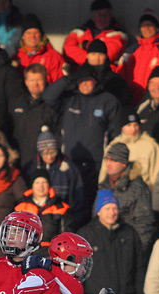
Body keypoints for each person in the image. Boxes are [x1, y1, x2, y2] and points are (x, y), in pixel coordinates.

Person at [42, 64, 121, 228]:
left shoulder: (108, 100)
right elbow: (48, 97)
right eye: (81, 81)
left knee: (93, 208)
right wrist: (67, 79)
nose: (84, 84)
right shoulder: (70, 99)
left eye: (88, 80)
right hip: (69, 164)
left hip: (97, 165)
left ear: (95, 81)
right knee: (72, 208)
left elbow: (115, 134)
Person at [77, 190, 145, 294]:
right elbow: (78, 273)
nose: (112, 213)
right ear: (99, 211)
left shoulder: (129, 233)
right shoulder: (85, 236)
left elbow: (139, 269)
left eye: (114, 208)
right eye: (107, 208)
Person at [100, 111, 159, 220]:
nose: (133, 129)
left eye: (135, 125)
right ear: (122, 127)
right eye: (129, 125)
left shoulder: (150, 145)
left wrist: (156, 208)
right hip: (117, 203)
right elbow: (103, 178)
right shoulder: (113, 147)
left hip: (144, 200)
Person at [97, 141, 156, 255]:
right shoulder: (104, 186)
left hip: (128, 249)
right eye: (107, 160)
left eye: (113, 160)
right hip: (106, 249)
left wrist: (137, 254)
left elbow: (144, 225)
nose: (108, 164)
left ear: (124, 164)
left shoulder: (137, 187)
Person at [23, 126, 85, 223]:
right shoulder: (31, 168)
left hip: (62, 216)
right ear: (40, 152)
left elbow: (78, 196)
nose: (50, 156)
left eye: (53, 152)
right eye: (46, 153)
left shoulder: (68, 168)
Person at [10, 64, 59, 171]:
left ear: (45, 80)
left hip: (42, 164)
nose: (35, 84)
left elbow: (58, 134)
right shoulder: (17, 102)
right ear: (26, 82)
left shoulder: (52, 105)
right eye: (32, 80)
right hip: (18, 160)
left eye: (39, 80)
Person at [117, 9, 159, 105]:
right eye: (143, 25)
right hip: (132, 100)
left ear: (156, 27)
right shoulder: (131, 50)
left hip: (156, 100)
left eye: (150, 25)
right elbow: (120, 75)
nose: (146, 28)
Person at [14, 168, 73, 254]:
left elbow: (67, 235)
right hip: (27, 252)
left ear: (49, 185)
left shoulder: (61, 207)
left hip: (51, 253)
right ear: (32, 185)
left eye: (44, 182)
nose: (41, 186)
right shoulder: (20, 207)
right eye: (37, 182)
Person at [62, 0, 130, 67]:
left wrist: (84, 45)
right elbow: (68, 50)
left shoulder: (119, 34)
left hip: (105, 75)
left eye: (106, 14)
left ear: (111, 15)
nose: (102, 18)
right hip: (80, 73)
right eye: (98, 14)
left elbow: (108, 55)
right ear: (92, 16)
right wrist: (92, 56)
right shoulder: (78, 32)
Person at [11, 14, 66, 84]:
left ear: (41, 35)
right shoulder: (16, 58)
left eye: (36, 33)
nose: (32, 36)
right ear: (23, 36)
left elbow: (60, 84)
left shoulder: (53, 57)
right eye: (28, 33)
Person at [84, 39, 130, 107]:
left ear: (106, 57)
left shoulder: (115, 80)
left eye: (100, 55)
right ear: (87, 56)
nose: (97, 58)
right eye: (93, 54)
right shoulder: (79, 77)